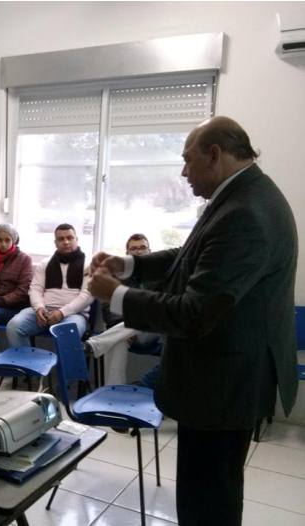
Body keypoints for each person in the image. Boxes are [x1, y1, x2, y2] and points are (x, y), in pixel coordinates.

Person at [88, 116, 298, 526]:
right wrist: (129, 265)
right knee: (209, 491)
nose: (183, 173)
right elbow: (189, 256)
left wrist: (114, 294)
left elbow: (194, 312)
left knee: (208, 501)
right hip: (224, 377)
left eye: (187, 160)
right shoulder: (239, 197)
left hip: (222, 384)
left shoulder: (246, 214)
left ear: (214, 154)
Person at [85, 234, 161, 385]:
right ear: (127, 254)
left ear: (150, 251)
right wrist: (128, 327)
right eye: (134, 248)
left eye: (142, 248)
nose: (139, 252)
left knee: (149, 314)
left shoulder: (162, 277)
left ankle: (95, 344)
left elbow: (162, 311)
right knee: (117, 341)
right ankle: (114, 391)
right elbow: (110, 312)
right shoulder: (118, 277)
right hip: (127, 331)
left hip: (154, 334)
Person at [6, 223, 93, 348]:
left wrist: (61, 313)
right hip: (43, 312)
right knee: (14, 326)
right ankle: (27, 366)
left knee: (67, 333)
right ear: (55, 243)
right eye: (61, 239)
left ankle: (65, 368)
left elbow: (87, 296)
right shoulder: (45, 263)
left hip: (74, 315)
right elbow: (35, 289)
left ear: (77, 239)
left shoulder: (89, 265)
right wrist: (39, 308)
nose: (66, 242)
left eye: (70, 238)